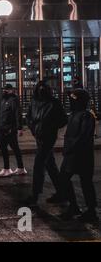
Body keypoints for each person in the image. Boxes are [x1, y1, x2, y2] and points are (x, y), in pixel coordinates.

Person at [25, 81, 67, 205]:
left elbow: (63, 119)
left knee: (39, 165)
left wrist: (50, 127)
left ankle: (35, 195)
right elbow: (28, 117)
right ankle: (62, 192)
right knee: (50, 165)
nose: (41, 91)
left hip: (48, 137)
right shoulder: (34, 102)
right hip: (39, 136)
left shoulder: (54, 103)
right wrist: (33, 128)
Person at [59, 89, 98, 222]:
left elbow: (83, 136)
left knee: (85, 182)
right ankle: (75, 206)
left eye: (74, 99)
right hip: (72, 154)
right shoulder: (75, 114)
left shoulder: (87, 116)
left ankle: (91, 211)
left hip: (81, 155)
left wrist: (70, 148)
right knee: (64, 178)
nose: (71, 101)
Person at [0, 84, 26, 177]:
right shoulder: (4, 100)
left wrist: (19, 128)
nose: (5, 91)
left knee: (11, 148)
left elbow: (18, 114)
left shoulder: (14, 100)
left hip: (10, 129)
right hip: (3, 127)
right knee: (8, 147)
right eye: (4, 89)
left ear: (11, 90)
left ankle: (11, 169)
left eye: (7, 90)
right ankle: (17, 168)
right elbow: (0, 112)